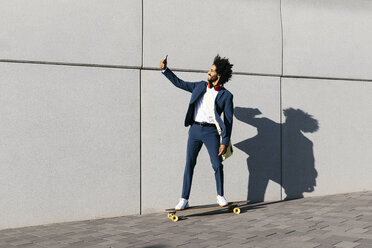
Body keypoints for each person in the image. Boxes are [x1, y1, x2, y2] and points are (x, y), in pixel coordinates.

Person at [160, 55, 234, 210]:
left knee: (217, 165)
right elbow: (180, 83)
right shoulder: (200, 86)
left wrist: (224, 142)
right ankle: (184, 199)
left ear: (218, 75)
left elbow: (228, 121)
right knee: (189, 164)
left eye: (212, 70)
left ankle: (220, 196)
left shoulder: (226, 96)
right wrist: (165, 70)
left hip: (211, 132)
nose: (209, 71)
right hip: (194, 130)